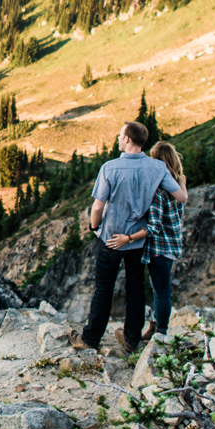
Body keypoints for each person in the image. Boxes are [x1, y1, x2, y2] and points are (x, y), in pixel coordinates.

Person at [69, 121, 187, 354]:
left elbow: (97, 208)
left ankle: (91, 338)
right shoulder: (157, 168)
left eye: (120, 136)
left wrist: (94, 229)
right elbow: (180, 197)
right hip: (137, 240)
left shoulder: (110, 168)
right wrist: (181, 177)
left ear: (128, 140)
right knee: (136, 289)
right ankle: (132, 339)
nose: (118, 139)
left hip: (111, 238)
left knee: (103, 289)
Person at [142, 140, 186, 340]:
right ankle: (157, 326)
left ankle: (160, 332)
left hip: (159, 246)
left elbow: (155, 225)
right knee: (161, 289)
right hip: (172, 244)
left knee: (161, 291)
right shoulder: (178, 185)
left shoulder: (160, 190)